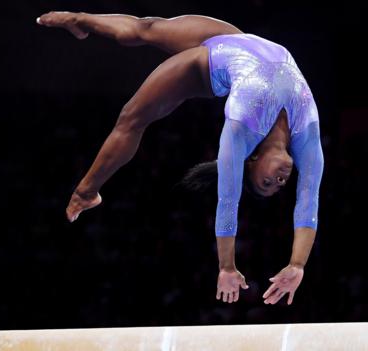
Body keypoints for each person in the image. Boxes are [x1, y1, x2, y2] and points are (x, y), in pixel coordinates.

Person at [37, 12, 324, 305]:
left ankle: (86, 192)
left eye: (267, 183)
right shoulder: (307, 132)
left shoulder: (242, 127)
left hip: (206, 66)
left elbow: (228, 200)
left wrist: (227, 267)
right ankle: (80, 19)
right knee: (144, 27)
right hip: (237, 42)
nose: (280, 181)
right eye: (278, 184)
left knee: (131, 118)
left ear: (249, 161)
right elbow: (308, 199)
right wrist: (297, 264)